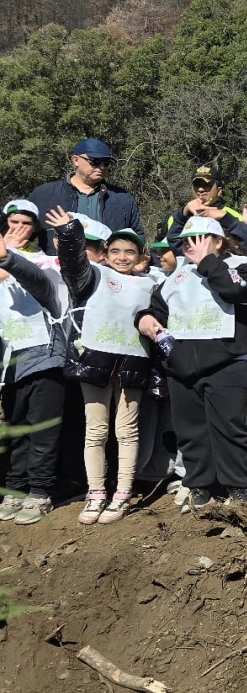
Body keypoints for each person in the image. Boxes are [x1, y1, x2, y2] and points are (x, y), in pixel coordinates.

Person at [136, 216, 247, 511]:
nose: (192, 246)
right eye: (187, 241)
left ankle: (239, 485)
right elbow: (157, 309)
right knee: (191, 430)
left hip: (228, 364)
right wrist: (142, 318)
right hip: (182, 366)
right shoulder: (175, 276)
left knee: (230, 428)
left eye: (201, 239)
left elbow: (236, 290)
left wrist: (208, 262)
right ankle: (199, 484)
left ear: (218, 242)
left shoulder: (242, 268)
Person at [47, 211, 155, 525]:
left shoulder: (149, 285)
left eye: (130, 252)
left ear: (140, 257)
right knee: (95, 431)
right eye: (116, 251)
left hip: (133, 364)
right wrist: (68, 233)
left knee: (127, 431)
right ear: (105, 254)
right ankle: (96, 493)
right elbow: (72, 262)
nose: (123, 257)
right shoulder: (91, 276)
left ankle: (122, 493)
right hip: (94, 363)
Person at [0, 214, 69, 524]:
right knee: (16, 433)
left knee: (43, 432)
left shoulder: (37, 274)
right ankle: (15, 490)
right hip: (10, 369)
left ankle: (39, 493)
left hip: (45, 360)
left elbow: (37, 280)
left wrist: (9, 259)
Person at [27, 138, 144, 252]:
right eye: (95, 161)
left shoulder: (122, 198)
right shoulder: (44, 194)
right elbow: (20, 229)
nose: (102, 167)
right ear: (75, 160)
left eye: (106, 163)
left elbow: (137, 237)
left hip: (108, 269)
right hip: (58, 268)